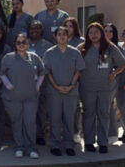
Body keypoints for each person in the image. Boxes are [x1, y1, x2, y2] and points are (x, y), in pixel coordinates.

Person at [78, 22, 125, 153]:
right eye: (91, 33)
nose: (94, 35)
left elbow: (123, 63)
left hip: (106, 87)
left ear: (102, 34)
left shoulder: (110, 47)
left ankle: (103, 143)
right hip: (87, 87)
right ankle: (88, 142)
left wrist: (114, 73)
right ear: (87, 34)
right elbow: (75, 66)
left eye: (97, 32)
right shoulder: (82, 48)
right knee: (88, 114)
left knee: (104, 114)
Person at [0, 33, 46, 159]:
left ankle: (31, 147)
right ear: (15, 45)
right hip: (13, 97)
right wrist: (8, 85)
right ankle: (19, 147)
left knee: (30, 122)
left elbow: (42, 72)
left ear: (28, 44)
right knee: (17, 122)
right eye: (18, 42)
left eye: (24, 42)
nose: (21, 45)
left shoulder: (34, 57)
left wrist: (37, 86)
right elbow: (2, 73)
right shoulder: (8, 58)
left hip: (31, 97)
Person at [43, 26, 85, 156]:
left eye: (64, 34)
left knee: (69, 118)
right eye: (59, 34)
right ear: (55, 37)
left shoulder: (74, 52)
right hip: (54, 91)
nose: (61, 36)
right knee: (55, 119)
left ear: (68, 37)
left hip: (71, 91)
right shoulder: (49, 53)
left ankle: (68, 145)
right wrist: (56, 86)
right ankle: (55, 144)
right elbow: (47, 72)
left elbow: (78, 70)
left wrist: (71, 85)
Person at [27, 20, 52, 145]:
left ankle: (40, 135)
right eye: (32, 28)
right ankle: (28, 134)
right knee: (28, 111)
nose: (34, 31)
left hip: (43, 84)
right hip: (26, 84)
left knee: (41, 111)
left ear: (42, 31)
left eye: (37, 28)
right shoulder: (24, 43)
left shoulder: (48, 45)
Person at [63, 17, 85, 144]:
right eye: (66, 26)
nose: (68, 28)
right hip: (64, 78)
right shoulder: (61, 39)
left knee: (77, 107)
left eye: (70, 26)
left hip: (79, 78)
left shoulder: (81, 41)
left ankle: (76, 132)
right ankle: (66, 132)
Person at [104, 23, 121, 144]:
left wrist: (114, 73)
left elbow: (122, 64)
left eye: (111, 31)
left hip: (113, 82)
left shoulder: (116, 47)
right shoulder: (102, 46)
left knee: (110, 108)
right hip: (101, 82)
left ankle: (113, 134)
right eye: (105, 30)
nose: (108, 33)